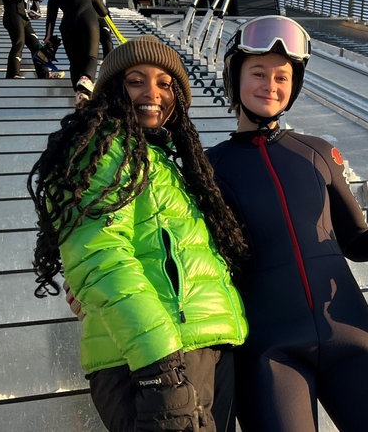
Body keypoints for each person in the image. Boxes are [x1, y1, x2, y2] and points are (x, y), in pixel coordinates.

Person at [28, 35, 249, 432]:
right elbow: (101, 256)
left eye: (166, 84)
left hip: (198, 351)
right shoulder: (104, 147)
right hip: (157, 359)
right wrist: (158, 365)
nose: (153, 93)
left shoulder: (162, 161)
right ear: (112, 87)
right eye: (136, 80)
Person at [205, 15, 368, 431]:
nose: (270, 85)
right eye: (258, 73)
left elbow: (358, 240)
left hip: (352, 335)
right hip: (269, 351)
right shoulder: (209, 166)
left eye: (282, 77)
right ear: (235, 78)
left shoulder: (318, 153)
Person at [44, 0, 111, 104]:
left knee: (74, 63)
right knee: (91, 57)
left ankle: (80, 94)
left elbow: (51, 19)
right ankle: (86, 79)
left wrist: (48, 37)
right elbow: (104, 12)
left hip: (68, 26)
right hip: (89, 23)